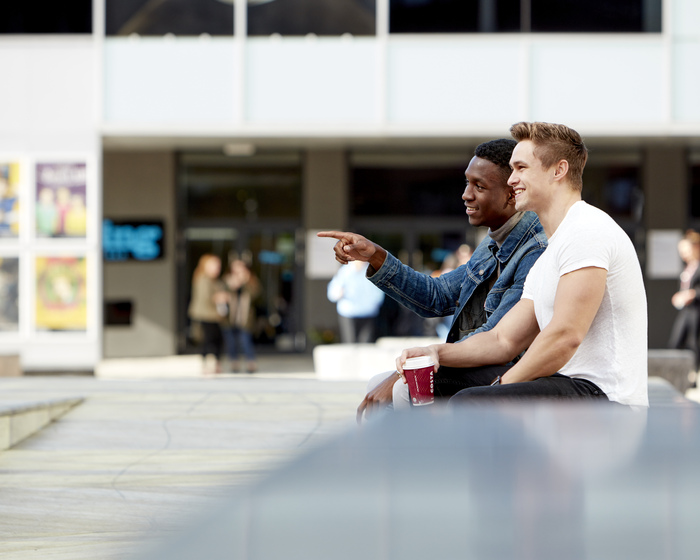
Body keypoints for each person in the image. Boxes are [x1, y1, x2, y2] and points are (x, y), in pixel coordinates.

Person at [397, 122, 648, 409]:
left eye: (521, 168)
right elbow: (503, 339)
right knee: (432, 383)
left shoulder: (586, 231)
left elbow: (565, 336)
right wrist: (436, 352)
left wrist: (501, 386)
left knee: (471, 403)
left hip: (606, 399)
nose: (511, 179)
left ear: (559, 170)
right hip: (567, 385)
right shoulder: (552, 251)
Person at [318, 139, 548, 421]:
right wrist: (375, 256)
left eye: (479, 186)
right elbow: (436, 296)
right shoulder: (493, 244)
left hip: (519, 373)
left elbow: (497, 339)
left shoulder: (536, 250)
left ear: (512, 194)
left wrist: (417, 364)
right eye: (467, 183)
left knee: (403, 389)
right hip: (482, 363)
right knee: (380, 385)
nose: (466, 195)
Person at [327, 260, 385, 343]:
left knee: (367, 343)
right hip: (349, 313)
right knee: (350, 342)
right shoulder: (345, 271)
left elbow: (379, 291)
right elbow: (333, 292)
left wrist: (374, 303)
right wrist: (338, 293)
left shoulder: (372, 270)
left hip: (368, 312)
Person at [221, 259, 262, 373]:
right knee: (231, 341)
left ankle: (251, 362)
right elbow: (221, 294)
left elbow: (256, 296)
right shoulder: (226, 281)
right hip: (229, 317)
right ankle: (234, 363)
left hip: (245, 318)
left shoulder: (252, 281)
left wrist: (245, 282)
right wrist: (231, 286)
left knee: (245, 340)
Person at [187, 254, 225, 374]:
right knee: (208, 340)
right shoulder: (203, 279)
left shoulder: (215, 281)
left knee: (217, 340)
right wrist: (219, 297)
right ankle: (206, 365)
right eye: (214, 265)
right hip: (205, 315)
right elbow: (206, 298)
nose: (217, 268)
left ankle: (215, 364)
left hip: (214, 315)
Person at [668, 230, 700, 372]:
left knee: (694, 343)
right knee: (676, 340)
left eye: (685, 250)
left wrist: (692, 294)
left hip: (697, 310)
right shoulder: (687, 267)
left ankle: (693, 373)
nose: (683, 254)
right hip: (686, 310)